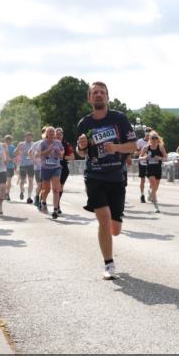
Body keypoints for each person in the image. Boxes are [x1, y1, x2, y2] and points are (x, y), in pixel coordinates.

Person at [74, 81, 137, 279]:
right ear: (89, 98)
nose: (99, 95)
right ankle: (109, 265)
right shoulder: (84, 123)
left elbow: (133, 145)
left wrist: (116, 148)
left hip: (117, 177)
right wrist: (81, 146)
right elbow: (80, 151)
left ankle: (112, 231)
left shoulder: (119, 119)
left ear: (107, 97)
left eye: (102, 92)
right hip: (95, 176)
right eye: (95, 93)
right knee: (103, 219)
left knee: (115, 229)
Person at [38, 126, 64, 219]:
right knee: (47, 189)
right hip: (45, 168)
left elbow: (62, 153)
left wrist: (59, 153)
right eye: (50, 132)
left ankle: (55, 209)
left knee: (56, 189)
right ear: (46, 134)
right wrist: (48, 150)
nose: (52, 134)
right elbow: (39, 154)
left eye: (53, 132)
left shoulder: (58, 142)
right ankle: (43, 201)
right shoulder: (43, 143)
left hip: (56, 167)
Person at [140, 130, 166, 213]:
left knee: (155, 188)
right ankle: (156, 207)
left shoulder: (160, 147)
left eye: (156, 138)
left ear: (157, 139)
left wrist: (160, 158)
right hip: (150, 169)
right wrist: (145, 158)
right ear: (149, 139)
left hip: (158, 169)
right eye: (152, 138)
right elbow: (140, 157)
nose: (154, 139)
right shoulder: (146, 148)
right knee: (154, 186)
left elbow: (166, 157)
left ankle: (150, 194)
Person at [55, 127, 75, 216]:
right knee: (54, 187)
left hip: (63, 168)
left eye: (60, 134)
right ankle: (46, 202)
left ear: (62, 135)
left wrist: (62, 157)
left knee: (60, 188)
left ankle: (57, 204)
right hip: (52, 168)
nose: (59, 136)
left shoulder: (66, 144)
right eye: (57, 134)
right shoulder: (50, 143)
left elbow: (72, 157)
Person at [14, 132, 35, 203]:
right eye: (27, 137)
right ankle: (22, 190)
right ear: (24, 137)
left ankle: (29, 197)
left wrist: (33, 155)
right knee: (22, 181)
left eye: (30, 137)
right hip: (23, 165)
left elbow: (37, 153)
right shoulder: (21, 144)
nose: (28, 138)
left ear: (32, 138)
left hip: (31, 165)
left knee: (31, 180)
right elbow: (15, 153)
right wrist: (19, 151)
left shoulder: (34, 144)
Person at [136, 128, 150, 203]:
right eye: (147, 133)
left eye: (149, 134)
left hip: (150, 163)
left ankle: (150, 192)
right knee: (143, 180)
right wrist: (142, 151)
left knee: (152, 180)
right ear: (144, 133)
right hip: (142, 162)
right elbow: (136, 152)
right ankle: (142, 195)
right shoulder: (140, 141)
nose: (148, 135)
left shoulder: (153, 141)